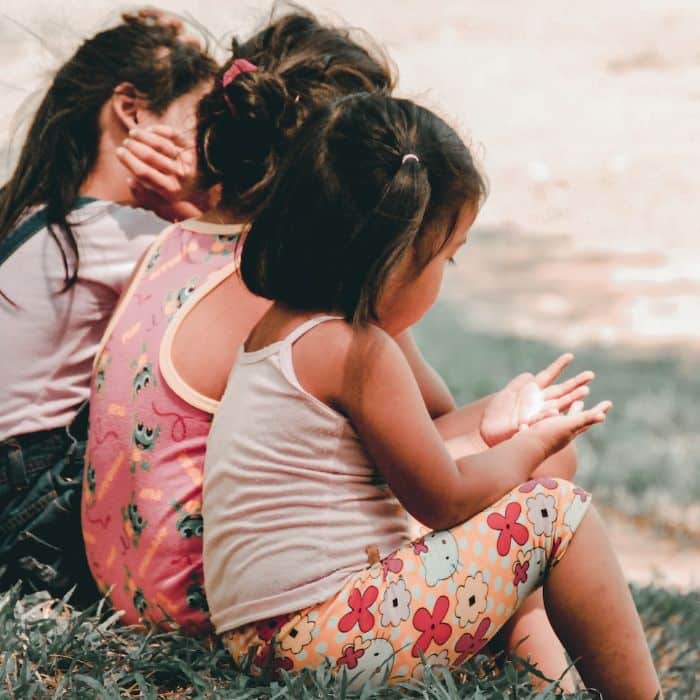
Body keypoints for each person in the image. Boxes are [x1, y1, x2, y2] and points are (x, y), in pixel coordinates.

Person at [202, 93, 661, 699]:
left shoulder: (285, 329)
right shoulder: (356, 351)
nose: (446, 274)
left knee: (533, 492)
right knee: (556, 511)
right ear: (394, 259)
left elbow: (418, 444)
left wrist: (501, 427)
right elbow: (443, 499)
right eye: (446, 256)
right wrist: (531, 447)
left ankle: (553, 687)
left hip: (268, 638)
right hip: (326, 639)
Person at [81, 8, 395, 634]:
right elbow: (422, 435)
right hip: (216, 599)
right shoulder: (283, 288)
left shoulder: (168, 243)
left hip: (126, 586)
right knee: (533, 472)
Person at [0, 14, 216, 603]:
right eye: (199, 122)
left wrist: (177, 56)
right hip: (26, 519)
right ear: (130, 108)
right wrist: (196, 206)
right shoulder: (125, 236)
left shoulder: (36, 213)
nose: (206, 149)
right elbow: (250, 285)